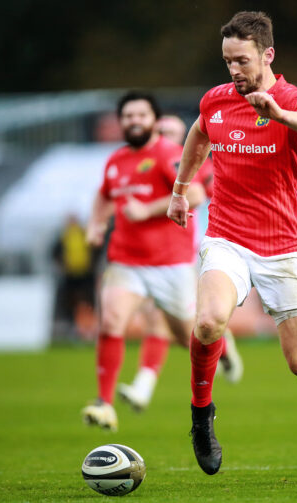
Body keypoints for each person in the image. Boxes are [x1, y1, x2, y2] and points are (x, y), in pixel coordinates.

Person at [167, 11, 297, 483]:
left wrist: (282, 115)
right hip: (226, 237)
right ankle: (202, 417)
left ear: (267, 55)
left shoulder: (290, 99)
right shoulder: (216, 100)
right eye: (227, 62)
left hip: (281, 248)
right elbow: (200, 132)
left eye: (242, 61)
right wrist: (181, 188)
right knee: (207, 321)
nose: (234, 71)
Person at [81, 91, 238, 430]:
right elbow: (103, 195)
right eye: (128, 116)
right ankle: (104, 402)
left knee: (188, 336)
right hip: (125, 261)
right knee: (111, 321)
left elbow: (195, 194)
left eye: (140, 115)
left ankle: (223, 351)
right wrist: (95, 224)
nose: (134, 121)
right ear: (120, 122)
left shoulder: (169, 154)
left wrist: (148, 209)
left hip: (171, 264)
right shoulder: (116, 160)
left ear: (153, 119)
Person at [116, 115, 243, 413]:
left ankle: (220, 348)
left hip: (192, 256)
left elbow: (220, 197)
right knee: (160, 321)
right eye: (161, 132)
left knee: (173, 324)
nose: (166, 138)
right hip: (156, 258)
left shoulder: (204, 169)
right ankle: (143, 388)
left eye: (173, 132)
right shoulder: (148, 170)